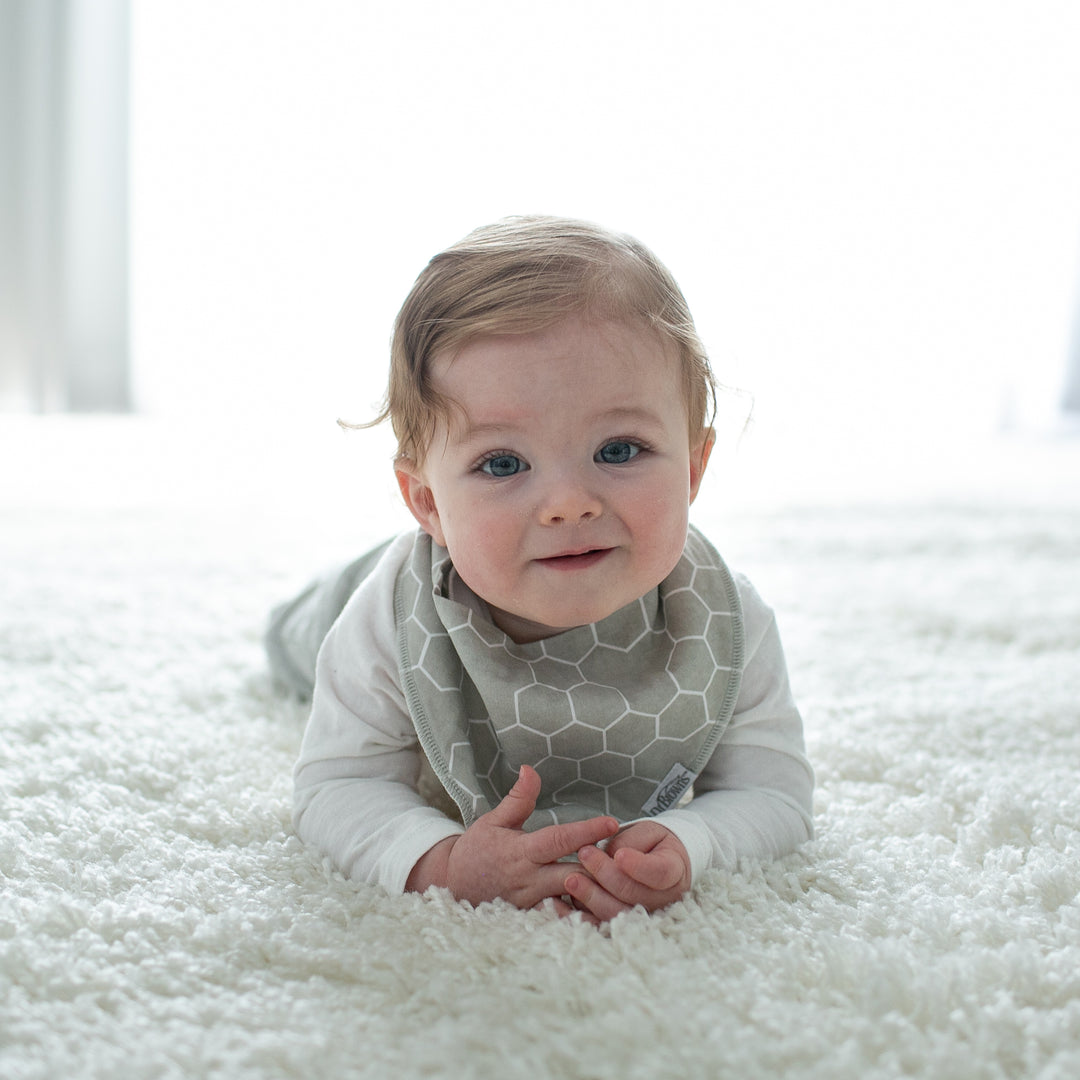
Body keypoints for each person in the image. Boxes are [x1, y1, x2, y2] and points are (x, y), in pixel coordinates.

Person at [268, 216, 814, 924]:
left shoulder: (720, 620)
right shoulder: (389, 621)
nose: (567, 504)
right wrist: (440, 861)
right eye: (502, 464)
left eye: (619, 450)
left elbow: (776, 794)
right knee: (293, 641)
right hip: (363, 602)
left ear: (694, 466)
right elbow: (336, 785)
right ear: (428, 503)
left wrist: (693, 840)